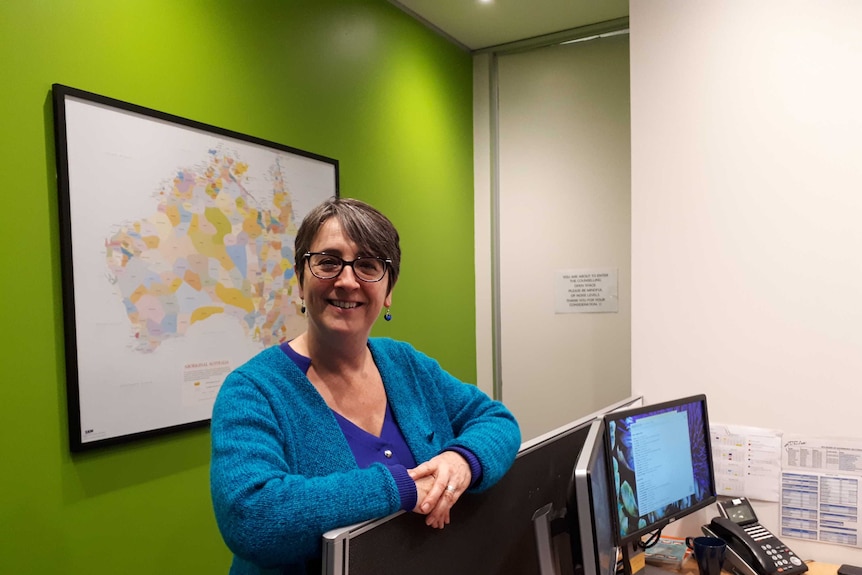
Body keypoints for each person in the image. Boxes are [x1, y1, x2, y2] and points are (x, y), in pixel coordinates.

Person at [210, 197, 521, 574]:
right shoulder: (252, 391)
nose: (347, 280)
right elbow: (252, 518)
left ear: (388, 290)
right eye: (327, 262)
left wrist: (462, 461)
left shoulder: (404, 363)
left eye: (368, 265)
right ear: (299, 277)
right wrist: (400, 489)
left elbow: (496, 419)